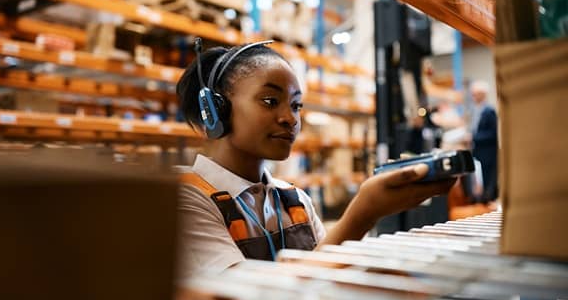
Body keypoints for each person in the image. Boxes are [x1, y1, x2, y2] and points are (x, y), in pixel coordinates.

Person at [176, 39, 454, 277]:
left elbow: (326, 275)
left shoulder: (293, 200)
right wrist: (362, 214)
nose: (290, 119)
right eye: (270, 101)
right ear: (215, 111)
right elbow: (243, 297)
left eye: (296, 105)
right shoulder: (184, 200)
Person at [469, 80, 498, 203]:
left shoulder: (489, 111)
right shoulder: (477, 110)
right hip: (479, 152)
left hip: (487, 153)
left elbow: (493, 134)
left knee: (487, 181)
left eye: (475, 94)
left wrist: (473, 138)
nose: (473, 97)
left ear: (482, 94)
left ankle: (488, 201)